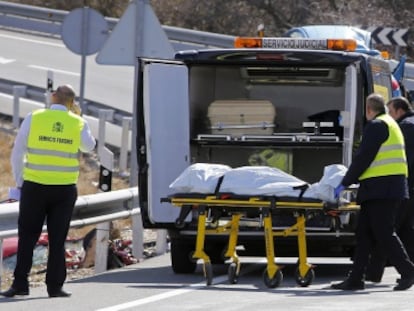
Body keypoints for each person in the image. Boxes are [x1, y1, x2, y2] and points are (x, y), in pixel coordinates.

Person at [1, 85, 96, 298]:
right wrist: (79, 118)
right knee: (57, 237)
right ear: (72, 103)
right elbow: (89, 147)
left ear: (53, 97)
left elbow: (18, 152)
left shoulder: (34, 117)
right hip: (63, 190)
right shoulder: (78, 122)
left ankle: (20, 284)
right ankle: (54, 287)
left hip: (34, 186)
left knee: (27, 236)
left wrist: (20, 182)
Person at [331, 93, 414, 291]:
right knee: (364, 234)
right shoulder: (391, 124)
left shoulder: (377, 126)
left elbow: (363, 157)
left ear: (369, 110)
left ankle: (408, 271)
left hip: (381, 189)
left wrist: (345, 182)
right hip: (384, 188)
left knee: (384, 232)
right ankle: (356, 278)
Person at [364, 96, 414, 283]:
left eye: (391, 111)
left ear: (399, 111)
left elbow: (404, 159)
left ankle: (375, 273)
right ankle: (406, 270)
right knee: (406, 231)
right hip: (407, 187)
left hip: (403, 186)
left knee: (386, 230)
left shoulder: (406, 127)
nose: (389, 116)